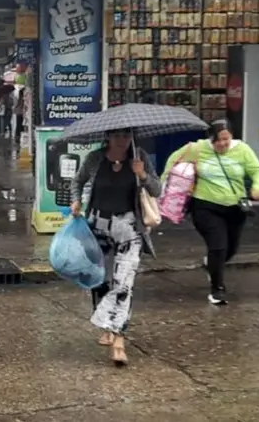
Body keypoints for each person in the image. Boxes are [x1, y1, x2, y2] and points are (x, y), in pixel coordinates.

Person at [69, 129, 161, 366]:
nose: (122, 140)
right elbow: (77, 181)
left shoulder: (139, 157)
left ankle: (119, 340)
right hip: (97, 227)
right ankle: (107, 326)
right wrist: (76, 200)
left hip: (129, 228)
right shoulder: (95, 158)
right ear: (108, 136)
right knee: (99, 280)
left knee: (123, 285)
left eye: (126, 135)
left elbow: (157, 190)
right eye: (117, 135)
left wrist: (142, 175)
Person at [163, 119, 259, 306]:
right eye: (217, 140)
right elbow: (173, 160)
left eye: (226, 139)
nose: (222, 144)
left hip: (236, 207)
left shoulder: (242, 149)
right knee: (218, 246)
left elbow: (257, 170)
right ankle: (217, 289)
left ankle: (210, 263)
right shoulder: (197, 149)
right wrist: (163, 188)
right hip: (205, 206)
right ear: (210, 138)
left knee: (231, 249)